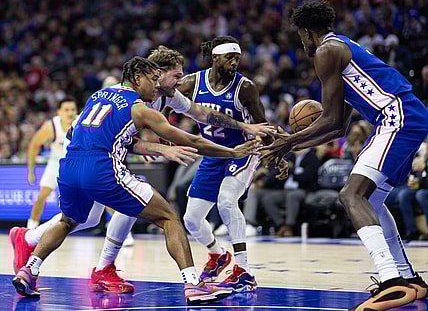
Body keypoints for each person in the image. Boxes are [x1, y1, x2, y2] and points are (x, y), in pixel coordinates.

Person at [9, 46, 273, 293]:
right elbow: (189, 139)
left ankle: (30, 258)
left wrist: (246, 127)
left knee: (84, 218)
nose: (179, 82)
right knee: (160, 214)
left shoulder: (134, 94)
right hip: (98, 157)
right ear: (149, 75)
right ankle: (180, 281)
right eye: (174, 76)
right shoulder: (139, 102)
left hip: (79, 163)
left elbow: (201, 114)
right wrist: (228, 151)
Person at [262, 1, 428, 310]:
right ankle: (409, 279)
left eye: (301, 38)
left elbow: (326, 121)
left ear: (308, 33)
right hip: (409, 116)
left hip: (397, 117)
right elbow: (337, 125)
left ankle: (391, 281)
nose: (303, 44)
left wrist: (287, 142)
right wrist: (292, 143)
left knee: (351, 195)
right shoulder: (345, 50)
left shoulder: (326, 51)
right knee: (372, 201)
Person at [178, 36, 283, 292]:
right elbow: (165, 103)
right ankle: (218, 255)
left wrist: (278, 157)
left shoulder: (245, 87)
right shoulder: (193, 82)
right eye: (229, 57)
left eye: (237, 57)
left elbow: (264, 125)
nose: (235, 62)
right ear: (215, 58)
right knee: (191, 220)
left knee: (226, 199)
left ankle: (244, 271)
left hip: (245, 150)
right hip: (215, 153)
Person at [26, 97, 78, 229]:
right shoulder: (50, 127)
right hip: (56, 163)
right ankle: (30, 228)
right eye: (66, 110)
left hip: (76, 164)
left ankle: (121, 232)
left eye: (72, 109)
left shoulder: (82, 122)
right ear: (59, 112)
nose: (70, 113)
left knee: (99, 195)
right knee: (41, 197)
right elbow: (34, 145)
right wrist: (31, 171)